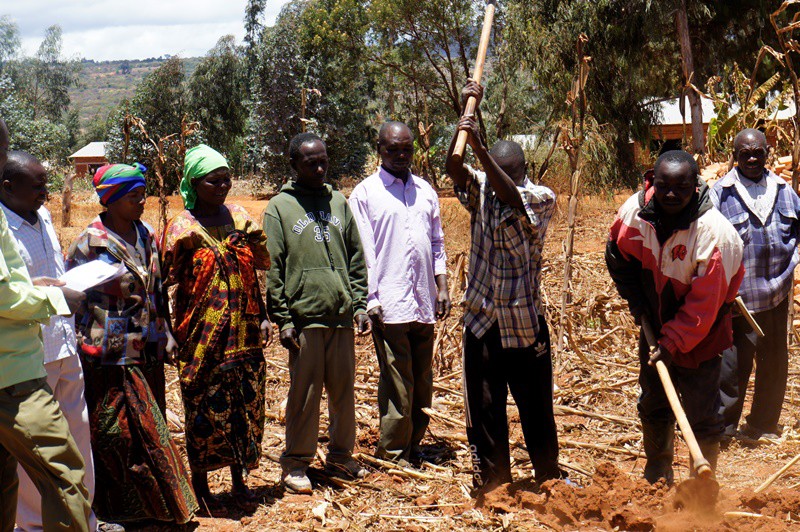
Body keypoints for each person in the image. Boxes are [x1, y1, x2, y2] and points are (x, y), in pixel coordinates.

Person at [445, 81, 562, 490]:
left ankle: (547, 476)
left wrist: (480, 151)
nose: (490, 179)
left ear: (520, 171)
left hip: (524, 325)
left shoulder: (540, 197)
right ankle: (494, 482)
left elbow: (510, 196)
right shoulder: (481, 191)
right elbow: (455, 170)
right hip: (482, 321)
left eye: (500, 171)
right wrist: (465, 118)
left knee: (535, 407)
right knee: (485, 408)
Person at [66, 163, 197, 526]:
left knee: (150, 428)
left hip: (148, 348)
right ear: (111, 200)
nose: (142, 201)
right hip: (107, 353)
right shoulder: (88, 243)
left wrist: (167, 332)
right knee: (114, 433)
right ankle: (115, 508)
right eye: (133, 196)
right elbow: (73, 300)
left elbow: (158, 291)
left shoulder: (147, 234)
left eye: (142, 194)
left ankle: (157, 507)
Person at [606, 150, 744, 483]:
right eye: (663, 185)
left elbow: (704, 306)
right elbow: (616, 255)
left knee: (702, 411)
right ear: (653, 181)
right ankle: (657, 470)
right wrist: (637, 304)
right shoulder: (634, 214)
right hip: (652, 322)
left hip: (703, 332)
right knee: (654, 400)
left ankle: (702, 483)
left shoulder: (715, 235)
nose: (670, 194)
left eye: (680, 187)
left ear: (695, 187)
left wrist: (672, 343)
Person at [161, 144, 272, 510]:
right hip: (201, 337)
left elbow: (257, 273)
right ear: (194, 183)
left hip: (245, 331)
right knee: (202, 406)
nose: (223, 186)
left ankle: (240, 479)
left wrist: (267, 316)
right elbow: (161, 284)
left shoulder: (240, 217)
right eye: (214, 181)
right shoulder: (181, 227)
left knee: (245, 401)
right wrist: (165, 331)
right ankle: (202, 484)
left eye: (227, 179)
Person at [264, 132, 370, 494]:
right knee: (305, 395)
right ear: (294, 164)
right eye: (312, 163)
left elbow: (356, 257)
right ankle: (296, 463)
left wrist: (359, 304)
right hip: (304, 317)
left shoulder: (339, 202)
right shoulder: (280, 207)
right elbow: (273, 266)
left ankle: (341, 456)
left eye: (324, 160)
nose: (321, 168)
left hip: (339, 315)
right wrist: (282, 318)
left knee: (343, 394)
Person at [0, 117, 91, 532]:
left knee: (74, 437)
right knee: (54, 467)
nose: (45, 193)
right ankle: (37, 525)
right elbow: (7, 295)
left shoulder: (45, 219)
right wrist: (53, 296)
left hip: (52, 344)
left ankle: (80, 520)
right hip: (19, 360)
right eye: (36, 186)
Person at [349, 121, 451, 465]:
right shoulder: (365, 194)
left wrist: (442, 287)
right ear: (379, 149)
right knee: (397, 384)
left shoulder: (425, 190)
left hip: (423, 301)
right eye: (393, 149)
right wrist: (371, 299)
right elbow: (364, 252)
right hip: (389, 304)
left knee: (422, 382)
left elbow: (437, 243)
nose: (401, 156)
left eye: (406, 149)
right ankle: (393, 454)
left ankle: (414, 444)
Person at [710, 128, 800, 445]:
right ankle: (723, 431)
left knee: (774, 363)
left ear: (767, 154)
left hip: (776, 294)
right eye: (744, 152)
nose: (751, 158)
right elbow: (706, 241)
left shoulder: (783, 190)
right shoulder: (719, 193)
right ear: (734, 155)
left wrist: (794, 260)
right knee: (733, 367)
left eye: (757, 152)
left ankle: (763, 424)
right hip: (738, 300)